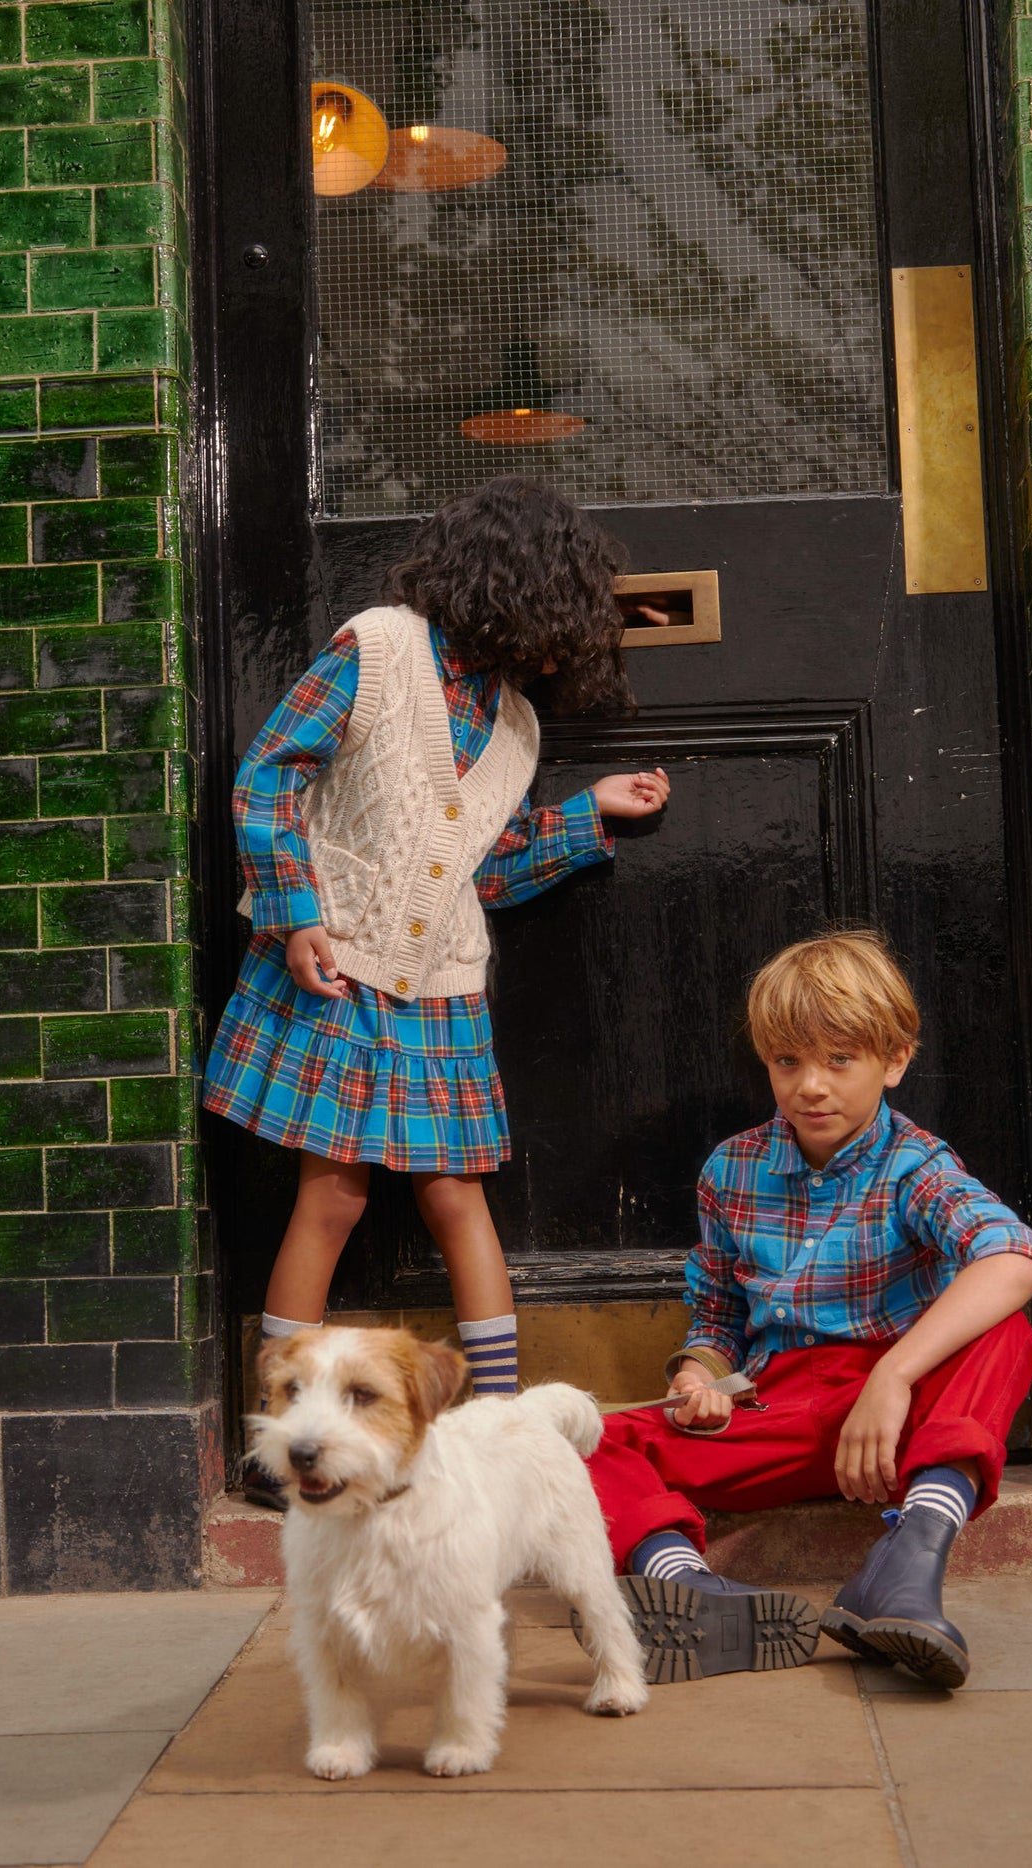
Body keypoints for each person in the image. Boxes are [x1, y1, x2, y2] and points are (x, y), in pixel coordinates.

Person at [204, 477, 671, 1506]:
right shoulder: (377, 647)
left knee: (457, 1195)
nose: (567, 641)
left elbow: (481, 869)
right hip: (337, 961)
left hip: (443, 985)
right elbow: (269, 775)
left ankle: (500, 1436)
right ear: (520, 588)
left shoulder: (516, 727)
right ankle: (279, 1444)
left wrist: (586, 813)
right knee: (331, 1194)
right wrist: (295, 912)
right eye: (564, 608)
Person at [583, 930, 1032, 1688]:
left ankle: (907, 1562)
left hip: (896, 1416)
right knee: (575, 1439)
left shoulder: (914, 1166)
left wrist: (892, 1377)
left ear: (894, 1060)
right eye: (787, 1062)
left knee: (1006, 1329)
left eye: (839, 1060)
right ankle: (685, 1587)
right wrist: (697, 1378)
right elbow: (718, 1317)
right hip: (782, 1407)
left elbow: (1013, 1257)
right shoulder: (732, 1169)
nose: (811, 1086)